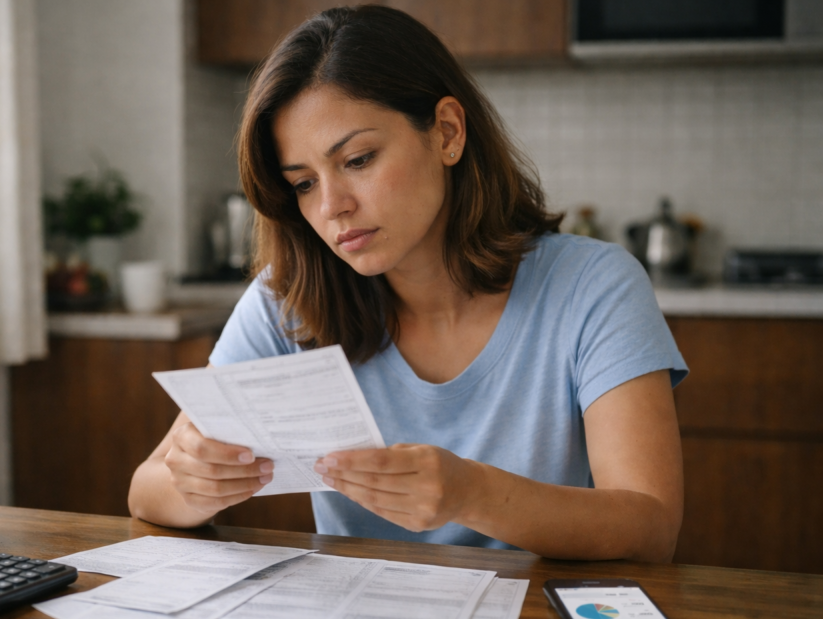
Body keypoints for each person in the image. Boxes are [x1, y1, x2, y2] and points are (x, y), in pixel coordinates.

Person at [129, 5, 687, 562]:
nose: (331, 207)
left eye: (358, 159)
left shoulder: (593, 286)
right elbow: (146, 489)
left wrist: (472, 493)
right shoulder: (289, 301)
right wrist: (194, 485)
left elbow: (651, 525)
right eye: (302, 183)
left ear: (446, 132)